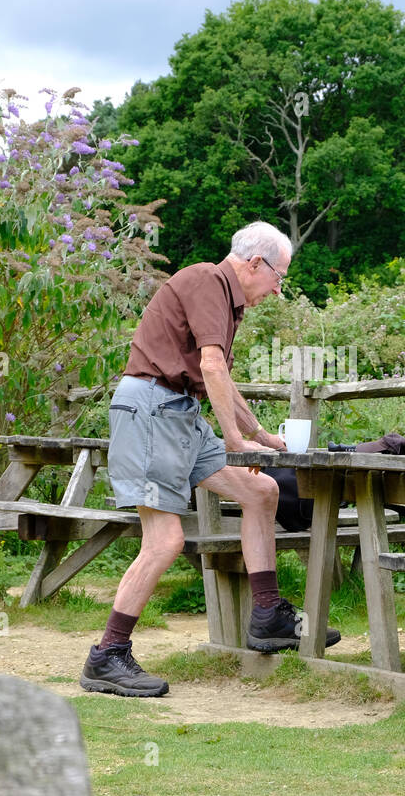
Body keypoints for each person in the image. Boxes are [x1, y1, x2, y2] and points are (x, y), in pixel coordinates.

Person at [80, 221, 339, 697]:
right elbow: (212, 365)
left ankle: (266, 616)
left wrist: (259, 433)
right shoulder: (206, 280)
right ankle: (107, 656)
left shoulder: (224, 296)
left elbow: (219, 380)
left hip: (180, 411)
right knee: (165, 541)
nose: (277, 290)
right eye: (279, 277)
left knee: (262, 490)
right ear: (256, 264)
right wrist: (235, 441)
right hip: (152, 409)